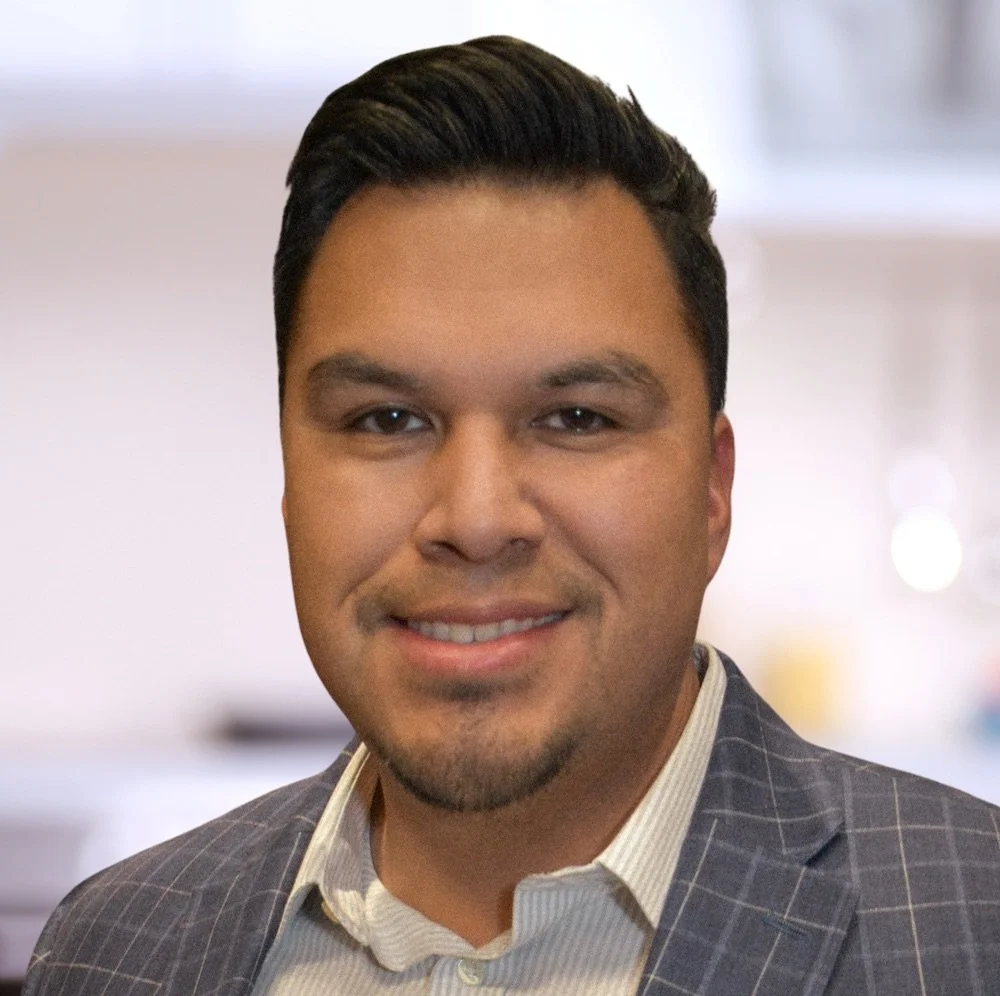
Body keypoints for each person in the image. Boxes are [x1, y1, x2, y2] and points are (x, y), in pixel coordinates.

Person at [23, 36, 1000, 996]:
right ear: (289, 477)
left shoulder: (969, 930)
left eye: (575, 418)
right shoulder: (116, 949)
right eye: (387, 419)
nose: (477, 518)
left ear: (712, 489)